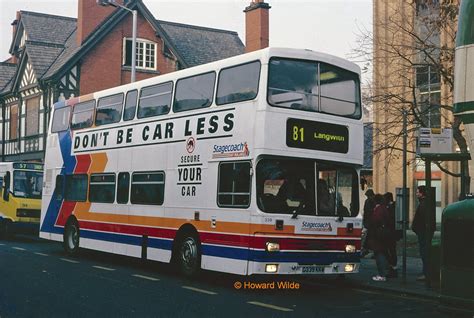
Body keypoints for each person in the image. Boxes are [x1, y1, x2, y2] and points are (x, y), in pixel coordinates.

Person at [412, 185, 435, 281]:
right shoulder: (425, 203)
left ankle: (426, 274)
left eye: (418, 192)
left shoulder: (424, 204)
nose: (416, 194)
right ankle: (425, 272)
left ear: (422, 193)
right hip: (423, 231)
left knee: (424, 252)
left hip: (423, 232)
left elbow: (421, 220)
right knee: (424, 252)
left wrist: (416, 228)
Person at [368, 194, 391, 282]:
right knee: (383, 252)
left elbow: (375, 221)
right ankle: (386, 271)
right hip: (384, 234)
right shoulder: (384, 208)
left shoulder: (378, 210)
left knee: (379, 253)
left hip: (378, 235)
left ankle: (382, 274)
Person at [384, 192, 398, 278]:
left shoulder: (390, 208)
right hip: (392, 232)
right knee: (392, 250)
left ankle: (392, 268)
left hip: (390, 233)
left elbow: (389, 220)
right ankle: (392, 267)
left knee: (390, 250)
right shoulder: (393, 207)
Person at [361, 189, 375, 256]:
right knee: (369, 237)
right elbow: (365, 212)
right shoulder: (367, 201)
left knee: (371, 237)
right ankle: (366, 249)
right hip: (369, 222)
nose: (368, 197)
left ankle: (366, 249)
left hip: (372, 222)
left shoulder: (373, 201)